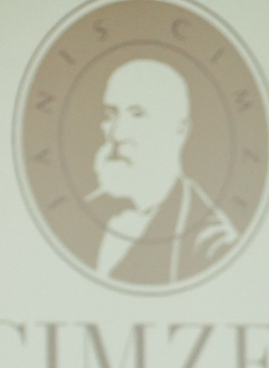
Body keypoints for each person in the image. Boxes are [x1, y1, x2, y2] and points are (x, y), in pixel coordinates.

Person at [86, 59, 238, 284]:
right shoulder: (85, 211)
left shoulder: (211, 242)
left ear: (180, 129)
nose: (117, 134)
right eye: (110, 115)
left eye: (137, 114)